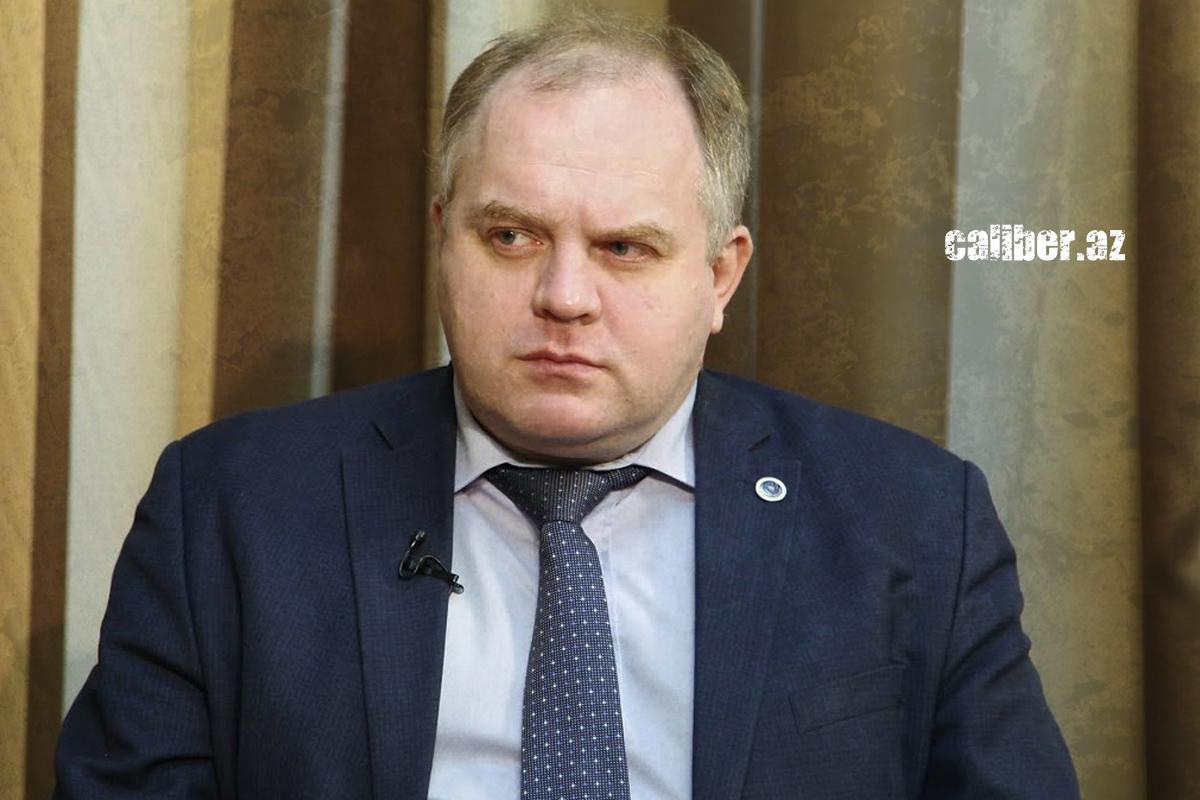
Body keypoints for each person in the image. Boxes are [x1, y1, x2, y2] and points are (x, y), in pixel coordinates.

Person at [54, 11, 1079, 799]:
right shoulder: (227, 507)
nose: (564, 296)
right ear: (442, 237)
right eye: (511, 236)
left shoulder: (914, 522)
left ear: (720, 276)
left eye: (625, 247)